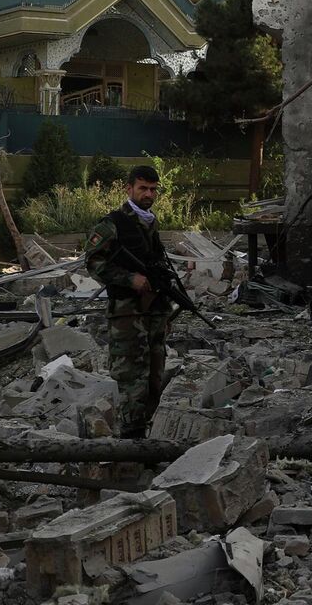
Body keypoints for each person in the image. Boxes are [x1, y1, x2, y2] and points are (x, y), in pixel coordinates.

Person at [84, 165, 174, 438]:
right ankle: (131, 443)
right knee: (132, 381)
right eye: (143, 188)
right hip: (127, 315)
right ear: (129, 189)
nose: (149, 194)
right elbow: (92, 262)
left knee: (154, 379)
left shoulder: (151, 223)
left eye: (153, 189)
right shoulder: (112, 224)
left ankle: (144, 436)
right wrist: (128, 278)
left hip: (154, 313)